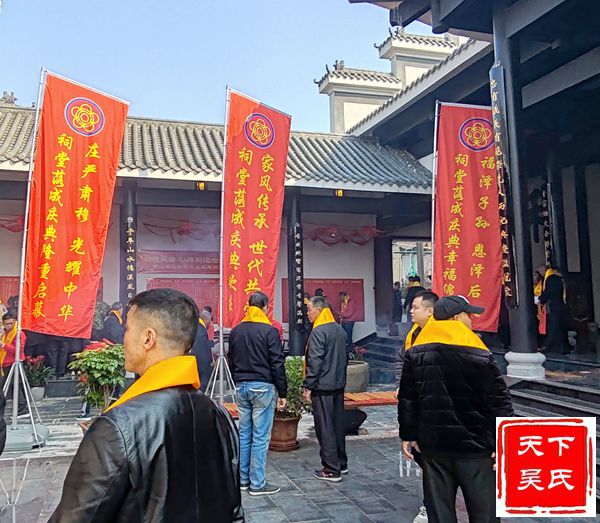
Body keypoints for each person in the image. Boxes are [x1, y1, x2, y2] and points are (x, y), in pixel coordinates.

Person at [50, 288, 243, 522]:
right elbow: (234, 510)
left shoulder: (117, 426)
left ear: (148, 338)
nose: (123, 338)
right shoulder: (219, 414)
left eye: (128, 329)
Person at [398, 295, 514, 523]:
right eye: (468, 315)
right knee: (485, 515)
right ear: (457, 318)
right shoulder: (480, 354)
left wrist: (409, 434)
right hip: (476, 450)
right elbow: (499, 402)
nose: (471, 320)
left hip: (434, 449)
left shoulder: (416, 353)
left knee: (440, 515)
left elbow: (408, 398)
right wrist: (505, 442)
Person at [227, 291, 287, 496]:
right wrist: (283, 392)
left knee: (245, 434)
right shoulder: (269, 331)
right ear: (265, 307)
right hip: (262, 387)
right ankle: (257, 484)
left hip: (241, 387)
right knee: (260, 437)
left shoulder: (236, 330)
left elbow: (231, 358)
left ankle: (243, 480)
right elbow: (277, 363)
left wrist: (237, 379)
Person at [394, 290, 438, 523]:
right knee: (423, 456)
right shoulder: (413, 334)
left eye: (416, 307)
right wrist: (402, 384)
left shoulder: (439, 336)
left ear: (430, 311)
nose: (411, 311)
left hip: (434, 406)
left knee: (434, 460)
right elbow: (402, 360)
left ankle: (432, 505)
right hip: (417, 406)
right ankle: (432, 503)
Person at [303, 296, 348, 482]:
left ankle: (330, 469)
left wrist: (308, 385)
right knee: (337, 425)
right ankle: (341, 463)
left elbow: (315, 361)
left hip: (322, 387)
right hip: (338, 385)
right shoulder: (339, 329)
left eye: (309, 309)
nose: (307, 313)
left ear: (319, 310)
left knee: (325, 428)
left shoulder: (319, 331)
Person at [0, 312, 27, 417]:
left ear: (15, 321)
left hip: (14, 363)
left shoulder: (19, 333)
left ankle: (22, 408)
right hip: (5, 364)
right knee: (11, 386)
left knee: (15, 386)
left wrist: (3, 345)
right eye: (7, 324)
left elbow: (18, 350)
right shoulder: (4, 333)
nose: (9, 326)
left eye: (11, 323)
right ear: (3, 323)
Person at [538, 265, 568, 354]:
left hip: (553, 306)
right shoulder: (561, 279)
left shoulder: (552, 279)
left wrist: (541, 299)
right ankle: (562, 347)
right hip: (561, 305)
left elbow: (549, 292)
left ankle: (548, 346)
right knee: (558, 327)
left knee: (552, 326)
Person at [190, 310, 213, 393]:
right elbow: (201, 348)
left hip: (195, 361)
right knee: (202, 386)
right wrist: (209, 362)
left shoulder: (196, 326)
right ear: (205, 319)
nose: (210, 324)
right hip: (201, 364)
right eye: (210, 321)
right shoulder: (200, 329)